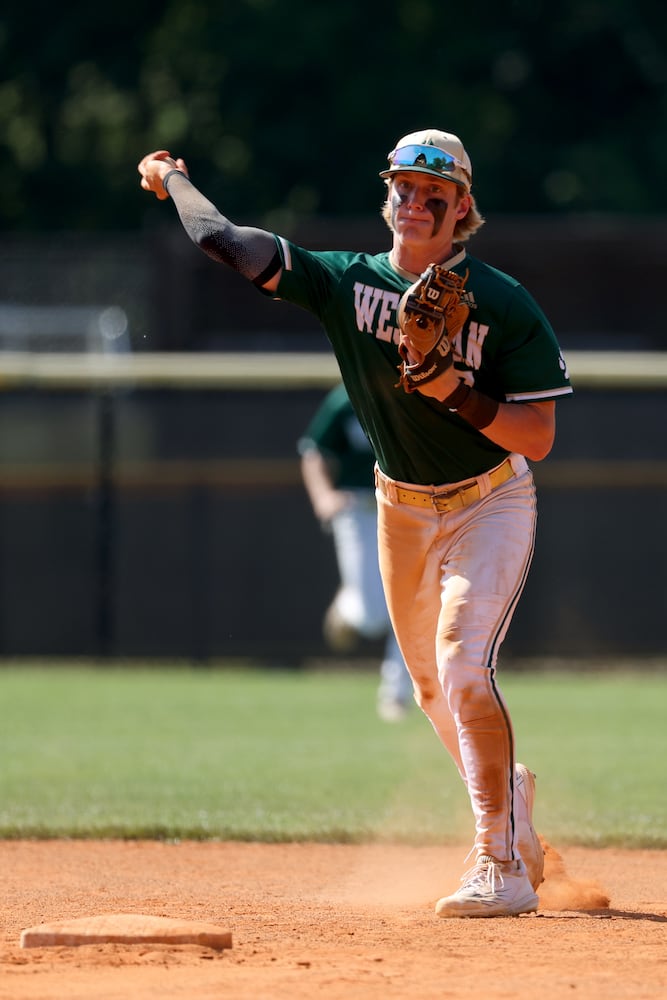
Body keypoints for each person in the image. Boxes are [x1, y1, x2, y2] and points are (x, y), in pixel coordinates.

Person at [138, 127, 572, 918]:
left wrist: (453, 392)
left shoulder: (502, 302)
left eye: (431, 191)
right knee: (432, 688)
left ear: (461, 207)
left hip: (489, 500)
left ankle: (499, 864)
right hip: (399, 506)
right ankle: (509, 802)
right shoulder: (344, 282)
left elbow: (537, 436)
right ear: (387, 198)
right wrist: (173, 183)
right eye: (402, 186)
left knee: (465, 666)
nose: (412, 200)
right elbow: (223, 240)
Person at [298, 382, 414, 721]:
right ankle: (348, 606)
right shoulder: (345, 397)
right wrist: (323, 497)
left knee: (409, 602)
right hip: (359, 508)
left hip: (405, 507)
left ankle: (396, 695)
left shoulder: (415, 390)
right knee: (373, 616)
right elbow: (313, 450)